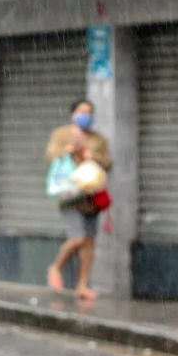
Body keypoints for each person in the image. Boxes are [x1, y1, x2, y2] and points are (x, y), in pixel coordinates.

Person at [45, 99, 113, 300]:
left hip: (91, 196)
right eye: (82, 112)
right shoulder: (62, 134)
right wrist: (66, 150)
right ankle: (56, 267)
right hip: (69, 195)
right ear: (72, 115)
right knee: (79, 238)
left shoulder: (98, 139)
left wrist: (95, 157)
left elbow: (108, 163)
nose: (86, 116)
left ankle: (83, 286)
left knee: (89, 242)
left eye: (90, 112)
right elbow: (50, 156)